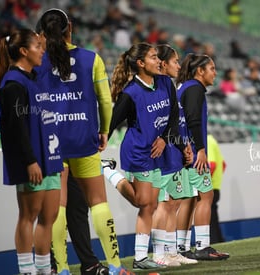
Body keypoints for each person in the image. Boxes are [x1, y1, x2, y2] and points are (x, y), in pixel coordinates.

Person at [36, 9, 134, 275]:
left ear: (42, 34)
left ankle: (63, 270)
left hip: (51, 142)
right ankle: (115, 266)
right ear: (70, 28)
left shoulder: (36, 60)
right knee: (98, 202)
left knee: (57, 205)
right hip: (83, 138)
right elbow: (105, 100)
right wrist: (103, 130)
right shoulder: (91, 58)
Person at [108, 42, 180, 270]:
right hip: (138, 151)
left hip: (158, 149)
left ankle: (140, 258)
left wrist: (164, 138)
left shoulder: (165, 82)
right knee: (143, 202)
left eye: (158, 57)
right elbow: (110, 123)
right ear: (140, 64)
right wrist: (97, 143)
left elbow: (174, 116)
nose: (158, 60)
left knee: (150, 205)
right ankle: (109, 171)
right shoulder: (130, 93)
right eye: (153, 57)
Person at [0, 28, 63, 275]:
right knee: (28, 215)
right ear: (24, 51)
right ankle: (27, 270)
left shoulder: (34, 78)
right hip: (32, 161)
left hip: (50, 158)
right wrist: (30, 160)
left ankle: (45, 269)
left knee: (50, 216)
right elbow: (15, 128)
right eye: (37, 46)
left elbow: (46, 62)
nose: (42, 50)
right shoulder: (13, 83)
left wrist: (45, 42)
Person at [175, 53, 230, 260]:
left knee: (189, 198)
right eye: (212, 68)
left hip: (182, 152)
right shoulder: (195, 89)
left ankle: (181, 247)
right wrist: (200, 150)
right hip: (193, 153)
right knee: (206, 196)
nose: (215, 73)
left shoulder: (184, 88)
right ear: (200, 71)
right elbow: (193, 120)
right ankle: (202, 246)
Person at [151, 44, 197, 266]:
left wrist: (184, 146)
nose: (179, 66)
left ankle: (170, 251)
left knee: (173, 202)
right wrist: (181, 145)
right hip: (162, 152)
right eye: (175, 61)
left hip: (174, 149)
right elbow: (163, 125)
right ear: (163, 62)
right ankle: (158, 253)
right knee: (164, 203)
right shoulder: (157, 87)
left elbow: (176, 125)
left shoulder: (168, 86)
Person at [207, 134, 226, 244]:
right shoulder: (212, 140)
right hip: (215, 186)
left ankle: (213, 241)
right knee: (213, 216)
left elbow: (211, 165)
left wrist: (204, 183)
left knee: (209, 217)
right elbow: (223, 164)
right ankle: (218, 240)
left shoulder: (208, 141)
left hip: (210, 187)